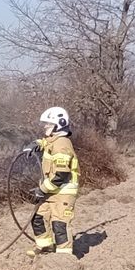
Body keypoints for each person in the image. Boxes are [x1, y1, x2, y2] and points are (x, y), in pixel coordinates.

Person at [25, 106, 80, 257]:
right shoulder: (53, 140)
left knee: (59, 224)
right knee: (38, 218)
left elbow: (61, 175)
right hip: (51, 191)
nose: (45, 127)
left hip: (63, 192)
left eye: (48, 124)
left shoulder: (62, 144)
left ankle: (63, 258)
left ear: (59, 124)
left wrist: (41, 190)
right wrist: (33, 145)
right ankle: (45, 246)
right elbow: (45, 142)